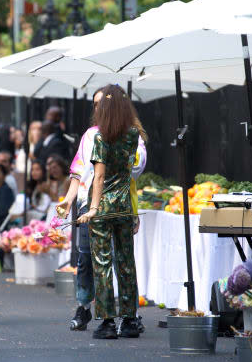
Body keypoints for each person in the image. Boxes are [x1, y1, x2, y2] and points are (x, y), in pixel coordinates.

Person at [57, 87, 148, 334]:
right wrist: (68, 200)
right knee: (126, 263)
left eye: (101, 104)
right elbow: (132, 170)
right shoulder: (133, 137)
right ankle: (129, 320)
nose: (98, 109)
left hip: (98, 208)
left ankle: (107, 322)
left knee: (102, 264)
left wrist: (94, 207)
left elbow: (97, 177)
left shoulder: (98, 138)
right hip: (123, 207)